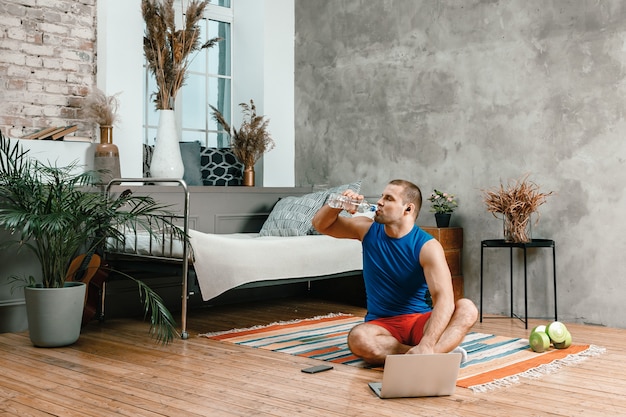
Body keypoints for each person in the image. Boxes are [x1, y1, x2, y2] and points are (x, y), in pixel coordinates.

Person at [312, 179, 478, 366]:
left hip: (420, 322)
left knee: (467, 309)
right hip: (383, 326)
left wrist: (428, 341)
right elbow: (321, 225)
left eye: (389, 198)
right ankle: (436, 355)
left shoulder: (427, 246)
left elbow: (444, 299)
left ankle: (427, 350)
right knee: (358, 338)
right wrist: (338, 204)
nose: (380, 202)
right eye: (382, 196)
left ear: (408, 209)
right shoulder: (366, 229)